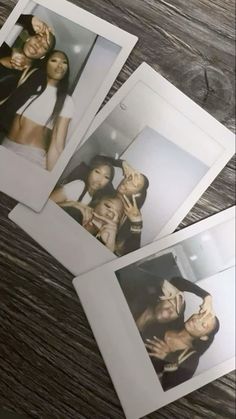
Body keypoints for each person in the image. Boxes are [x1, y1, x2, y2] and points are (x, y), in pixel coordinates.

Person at [1, 50, 73, 169]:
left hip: (30, 157)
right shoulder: (30, 85)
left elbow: (57, 144)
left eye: (64, 62)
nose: (60, 65)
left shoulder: (66, 100)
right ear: (45, 64)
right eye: (54, 60)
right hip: (5, 145)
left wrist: (49, 179)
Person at [145, 310, 220, 390]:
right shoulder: (169, 321)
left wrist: (169, 358)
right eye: (200, 315)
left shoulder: (190, 359)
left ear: (204, 337)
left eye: (203, 324)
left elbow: (170, 390)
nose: (197, 320)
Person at [0, 14, 56, 104]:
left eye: (45, 47)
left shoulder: (28, 80)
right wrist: (28, 19)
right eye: (38, 37)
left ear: (43, 56)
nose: (38, 44)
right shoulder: (3, 47)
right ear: (28, 39)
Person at [51, 156, 115, 204]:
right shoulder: (79, 185)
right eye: (97, 172)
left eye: (106, 177)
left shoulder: (95, 199)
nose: (99, 179)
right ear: (90, 171)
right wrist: (74, 205)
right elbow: (50, 200)